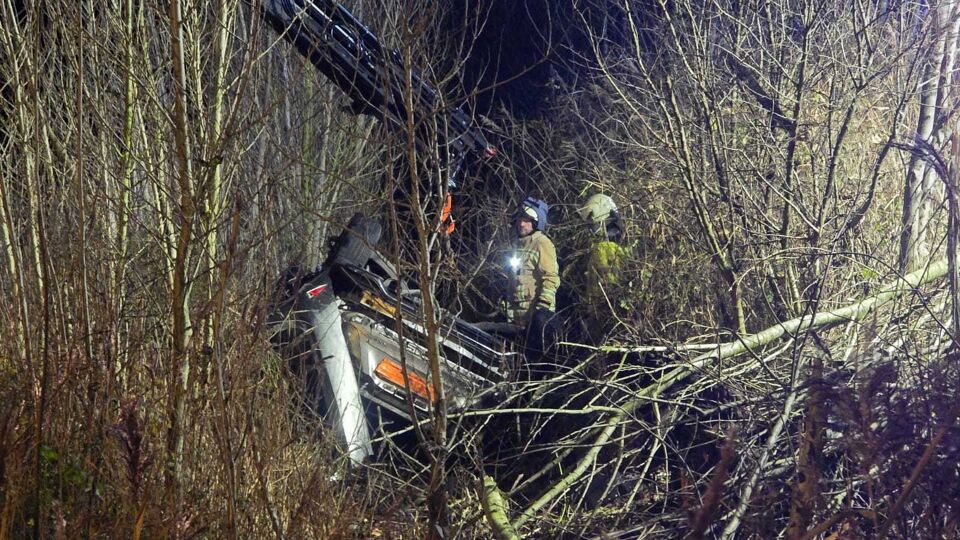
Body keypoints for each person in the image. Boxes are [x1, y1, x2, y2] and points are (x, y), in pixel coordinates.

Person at [505, 196, 560, 363]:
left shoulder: (542, 243)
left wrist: (542, 310)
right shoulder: (518, 244)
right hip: (518, 320)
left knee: (531, 363)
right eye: (520, 219)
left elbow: (551, 278)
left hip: (535, 322)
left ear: (536, 222)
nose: (522, 224)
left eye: (527, 220)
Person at [575, 194, 628, 337]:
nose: (590, 228)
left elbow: (605, 288)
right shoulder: (620, 246)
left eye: (591, 223)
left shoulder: (603, 249)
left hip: (602, 317)